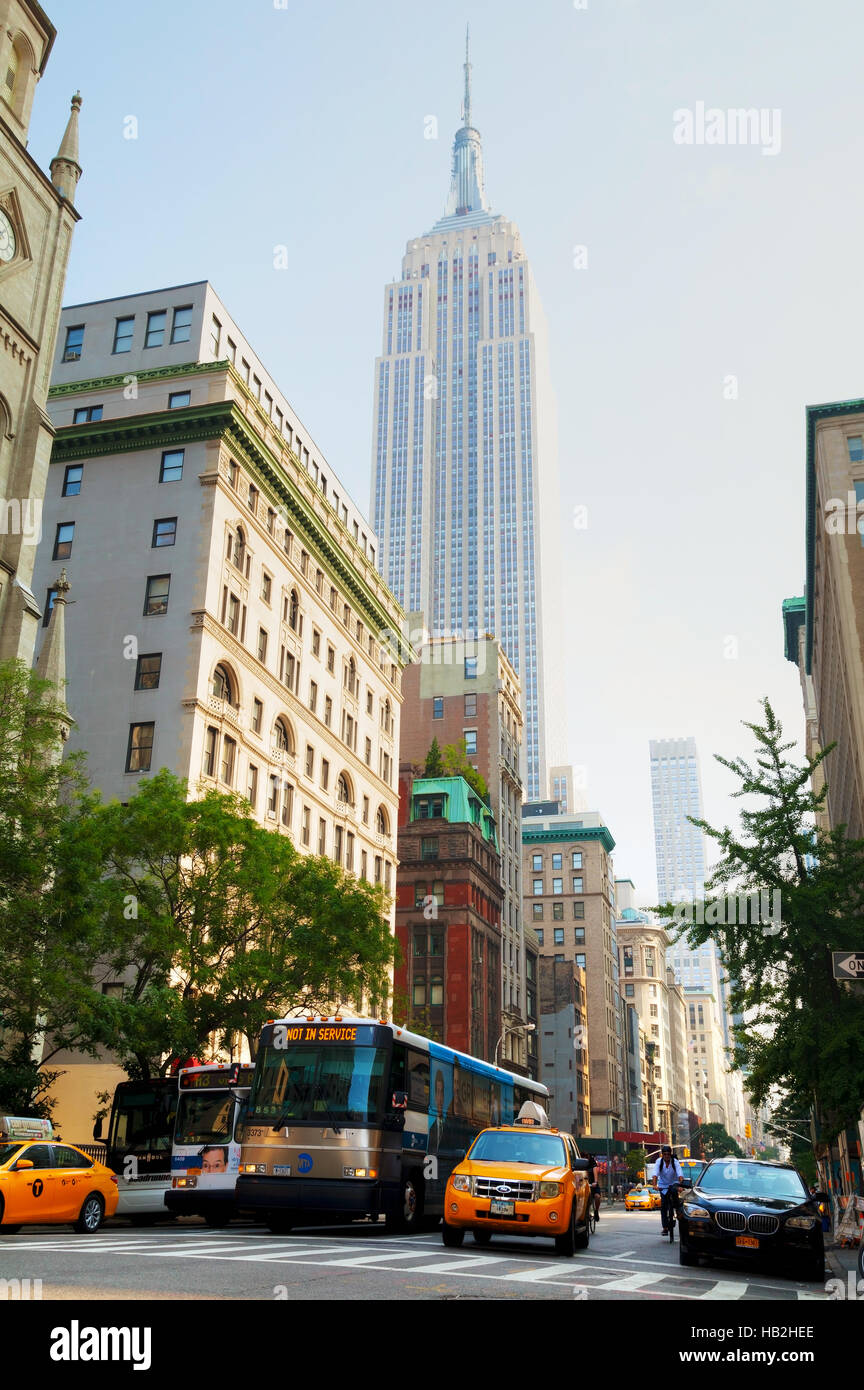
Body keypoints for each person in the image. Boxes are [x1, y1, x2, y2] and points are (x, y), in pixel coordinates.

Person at [652, 1145, 684, 1237]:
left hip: (674, 1184)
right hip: (663, 1186)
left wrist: (681, 1185)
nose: (666, 1156)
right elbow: (655, 1175)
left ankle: (678, 1213)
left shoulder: (675, 1162)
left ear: (671, 1154)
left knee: (676, 1202)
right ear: (662, 1155)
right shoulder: (659, 1162)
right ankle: (665, 1228)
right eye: (664, 1154)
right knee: (663, 1206)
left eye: (668, 1154)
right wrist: (654, 1185)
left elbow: (680, 1175)